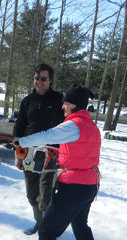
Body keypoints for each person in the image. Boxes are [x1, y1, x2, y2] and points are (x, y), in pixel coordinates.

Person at [13, 84, 101, 240]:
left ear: (75, 104)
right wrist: (58, 153)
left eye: (66, 103)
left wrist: (22, 142)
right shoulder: (91, 126)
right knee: (81, 227)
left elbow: (48, 135)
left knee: (46, 231)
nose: (63, 107)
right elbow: (83, 154)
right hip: (89, 186)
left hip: (73, 188)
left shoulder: (74, 125)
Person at [14, 63, 65, 235]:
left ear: (50, 80)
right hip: (29, 153)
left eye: (43, 79)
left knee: (45, 195)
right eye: (37, 78)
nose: (39, 82)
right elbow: (19, 128)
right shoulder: (27, 101)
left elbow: (67, 127)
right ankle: (39, 222)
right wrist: (18, 155)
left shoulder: (59, 100)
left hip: (51, 154)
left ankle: (47, 229)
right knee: (31, 193)